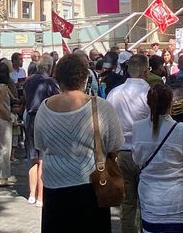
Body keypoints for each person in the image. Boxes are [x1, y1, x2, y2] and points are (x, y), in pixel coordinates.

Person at [34, 53, 123, 233]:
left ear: (58, 77)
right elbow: (115, 146)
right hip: (91, 184)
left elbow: (41, 144)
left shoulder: (44, 108)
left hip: (54, 185)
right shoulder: (102, 107)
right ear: (85, 77)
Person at [132, 83, 183, 232]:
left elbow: (137, 160)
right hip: (180, 199)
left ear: (149, 102)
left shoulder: (137, 127)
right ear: (171, 103)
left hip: (151, 199)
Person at [107, 54, 153, 233]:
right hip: (145, 153)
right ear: (145, 70)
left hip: (121, 153)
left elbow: (108, 123)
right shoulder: (149, 92)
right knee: (146, 201)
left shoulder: (114, 93)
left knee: (127, 202)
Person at [23, 54, 59, 206]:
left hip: (30, 118)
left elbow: (25, 98)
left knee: (32, 158)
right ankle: (40, 196)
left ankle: (31, 194)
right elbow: (58, 99)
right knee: (43, 158)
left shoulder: (28, 80)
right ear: (49, 67)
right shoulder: (50, 81)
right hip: (45, 119)